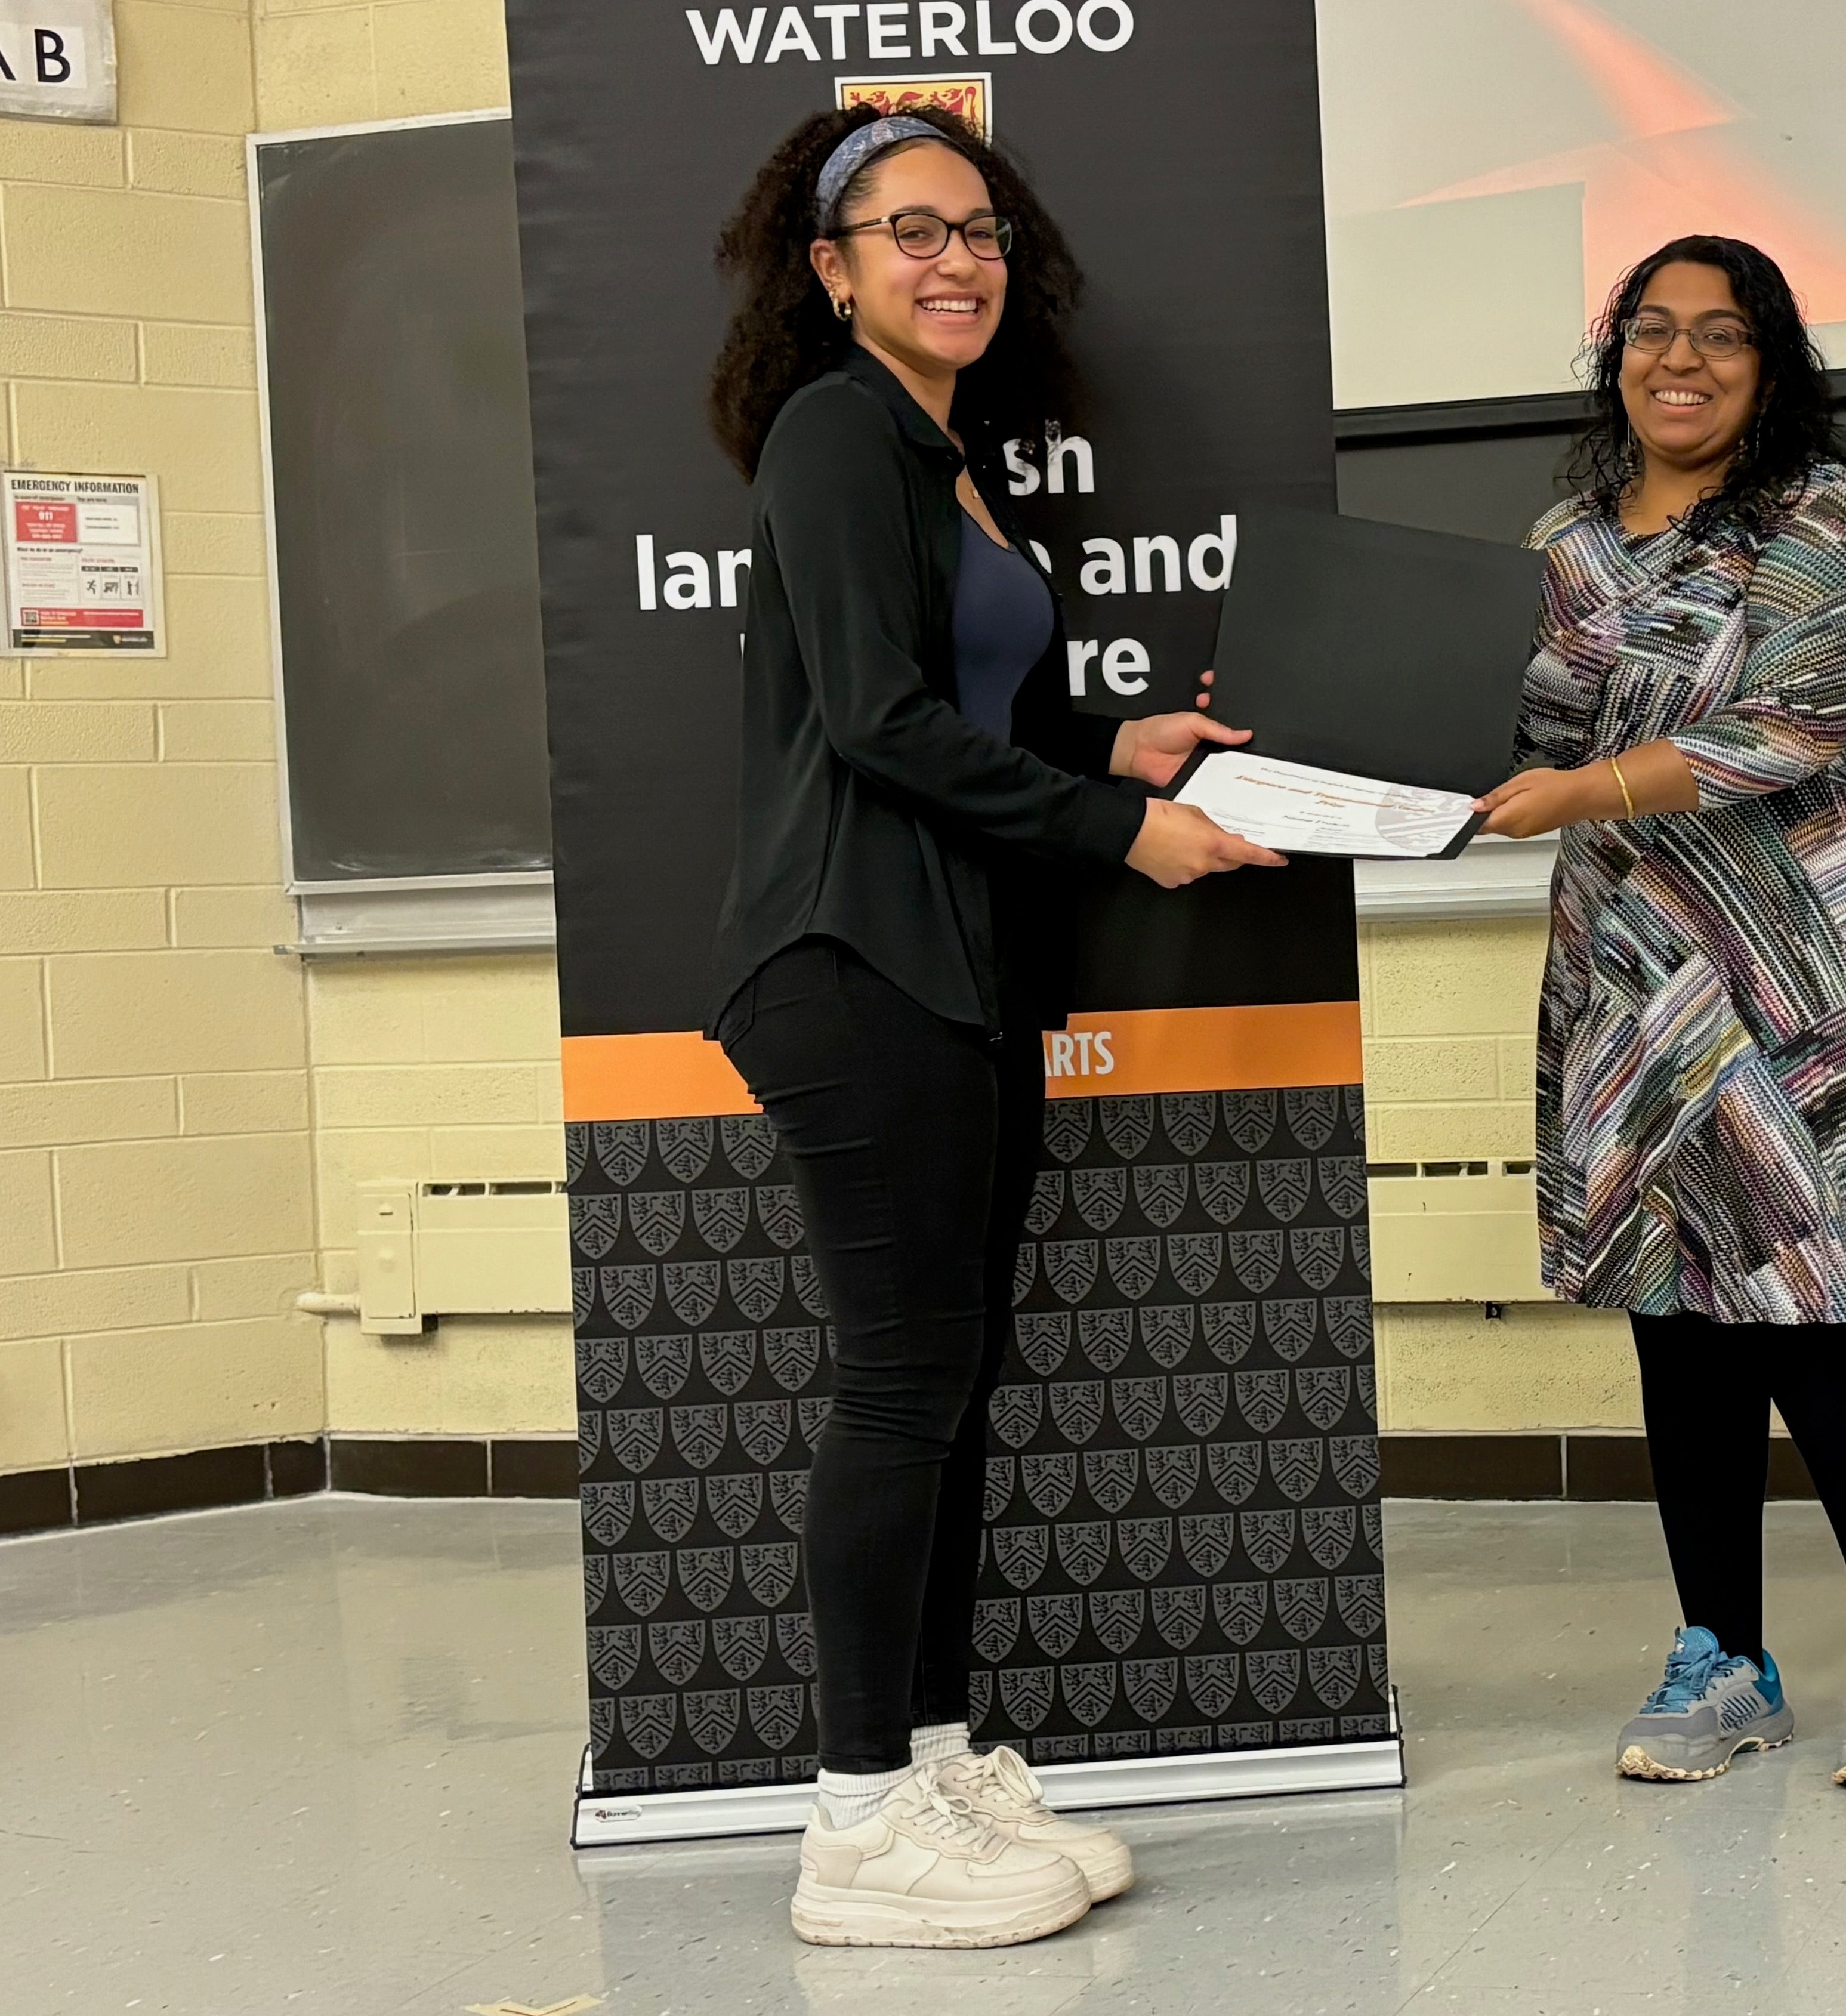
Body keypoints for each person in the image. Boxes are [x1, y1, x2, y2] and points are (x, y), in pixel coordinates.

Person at [702, 107, 1280, 1947]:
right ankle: (854, 1819)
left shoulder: (942, 453)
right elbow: (873, 720)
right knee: (896, 1382)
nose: (954, 260)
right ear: (831, 268)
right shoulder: (831, 429)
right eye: (908, 231)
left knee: (943, 1385)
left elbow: (974, 713)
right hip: (847, 957)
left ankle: (931, 1756)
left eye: (980, 232)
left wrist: (1120, 747)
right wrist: (1126, 830)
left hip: (948, 965)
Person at [1478, 235, 1846, 1793]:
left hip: (1789, 977)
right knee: (1674, 1317)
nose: (1677, 361)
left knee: (1819, 1308)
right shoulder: (1562, 540)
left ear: (1771, 368)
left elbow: (1794, 727)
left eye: (1720, 337)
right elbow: (1513, 727)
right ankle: (1723, 1658)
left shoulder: (1823, 518)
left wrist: (1583, 783)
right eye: (1648, 332)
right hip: (1626, 966)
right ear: (1612, 353)